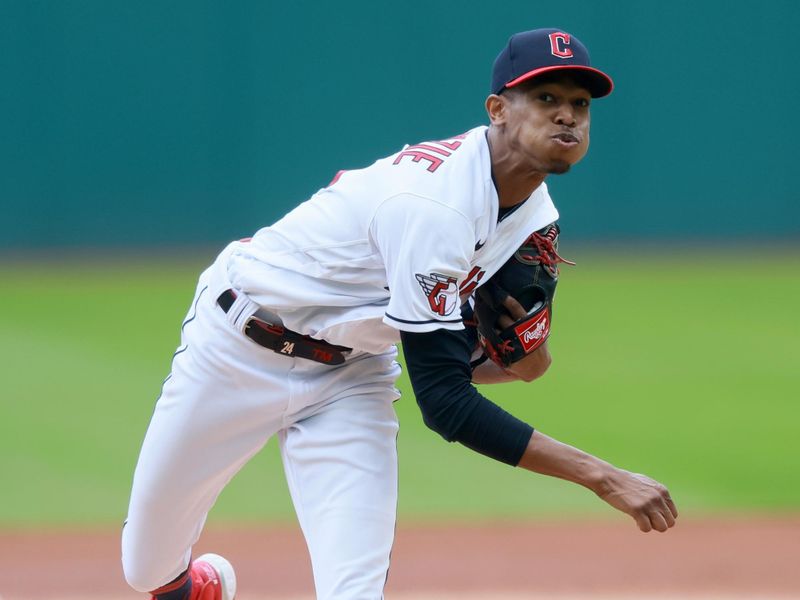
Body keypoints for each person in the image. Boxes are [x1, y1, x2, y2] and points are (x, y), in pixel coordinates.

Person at [121, 28, 677, 600]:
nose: (567, 116)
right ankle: (203, 587)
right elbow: (445, 404)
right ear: (498, 110)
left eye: (580, 104)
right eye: (545, 98)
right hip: (236, 349)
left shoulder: (534, 215)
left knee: (353, 591)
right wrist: (603, 477)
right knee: (148, 570)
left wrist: (526, 361)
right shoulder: (435, 206)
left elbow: (502, 360)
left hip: (349, 375)